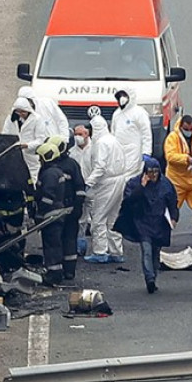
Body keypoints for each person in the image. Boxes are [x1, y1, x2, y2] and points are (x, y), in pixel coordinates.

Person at [114, 157, 179, 294]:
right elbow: (128, 201)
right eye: (150, 172)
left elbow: (173, 202)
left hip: (159, 223)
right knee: (147, 250)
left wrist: (173, 218)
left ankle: (153, 276)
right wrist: (141, 187)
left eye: (156, 172)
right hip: (142, 222)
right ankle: (149, 278)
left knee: (155, 252)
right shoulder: (134, 183)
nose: (153, 175)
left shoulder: (166, 184)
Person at [84, 115, 129, 263]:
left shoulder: (101, 143)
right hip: (120, 180)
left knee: (99, 217)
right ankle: (116, 252)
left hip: (107, 183)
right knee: (113, 218)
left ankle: (100, 252)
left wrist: (89, 182)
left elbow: (100, 166)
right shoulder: (113, 139)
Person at [164, 115, 192, 244]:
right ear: (181, 126)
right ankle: (162, 237)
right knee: (171, 210)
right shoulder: (172, 138)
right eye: (186, 129)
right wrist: (186, 159)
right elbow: (170, 156)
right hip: (176, 182)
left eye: (190, 129)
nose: (189, 132)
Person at [47, 135, 85, 280]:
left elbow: (80, 187)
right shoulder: (61, 166)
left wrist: (77, 207)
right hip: (61, 209)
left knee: (66, 240)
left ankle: (67, 271)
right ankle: (60, 271)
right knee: (60, 240)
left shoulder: (70, 165)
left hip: (67, 209)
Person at [35, 142, 67, 285]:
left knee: (51, 245)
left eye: (40, 158)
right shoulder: (56, 171)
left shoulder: (49, 174)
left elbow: (47, 197)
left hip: (51, 214)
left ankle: (53, 274)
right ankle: (56, 272)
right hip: (57, 212)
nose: (39, 160)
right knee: (55, 244)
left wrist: (40, 214)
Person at [111, 86, 152, 176]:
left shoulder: (139, 113)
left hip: (134, 152)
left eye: (124, 95)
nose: (121, 98)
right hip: (119, 153)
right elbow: (113, 133)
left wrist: (146, 152)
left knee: (131, 177)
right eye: (119, 96)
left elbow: (146, 134)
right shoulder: (116, 114)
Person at [2, 86, 70, 139]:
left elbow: (61, 120)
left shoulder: (47, 104)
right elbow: (6, 131)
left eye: (28, 100)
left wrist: (64, 138)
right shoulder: (15, 114)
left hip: (51, 145)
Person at [10, 97, 48, 182]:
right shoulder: (11, 119)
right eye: (18, 111)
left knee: (33, 180)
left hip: (31, 157)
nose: (21, 114)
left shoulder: (37, 119)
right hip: (14, 156)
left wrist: (27, 145)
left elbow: (41, 139)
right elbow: (5, 133)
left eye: (23, 111)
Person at [69, 124, 94, 254]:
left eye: (81, 134)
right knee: (81, 218)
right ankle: (80, 242)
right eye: (76, 134)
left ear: (87, 134)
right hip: (78, 189)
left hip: (94, 188)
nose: (78, 137)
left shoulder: (94, 149)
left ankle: (100, 247)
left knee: (98, 218)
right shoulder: (72, 153)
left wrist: (90, 182)